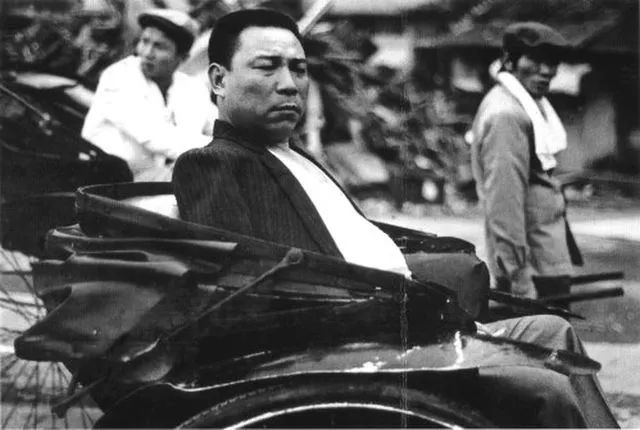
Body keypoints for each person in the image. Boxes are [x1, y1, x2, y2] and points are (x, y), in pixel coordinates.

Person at [172, 10, 617, 427]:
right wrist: (420, 320)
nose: (289, 85)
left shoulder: (297, 156)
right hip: (365, 352)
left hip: (408, 325)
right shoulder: (215, 163)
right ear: (218, 80)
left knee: (553, 331)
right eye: (267, 67)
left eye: (299, 69)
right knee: (547, 385)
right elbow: (249, 305)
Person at [469, 22, 578, 299]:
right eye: (536, 60)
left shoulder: (525, 105)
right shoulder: (506, 115)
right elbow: (504, 202)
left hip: (543, 258)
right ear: (509, 61)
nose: (547, 70)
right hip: (532, 269)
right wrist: (519, 278)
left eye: (552, 61)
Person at [82, 8, 218, 181]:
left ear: (182, 58)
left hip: (160, 180)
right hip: (107, 184)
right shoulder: (119, 76)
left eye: (159, 46)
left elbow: (221, 127)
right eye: (144, 41)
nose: (146, 53)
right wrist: (225, 149)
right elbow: (155, 136)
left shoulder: (191, 87)